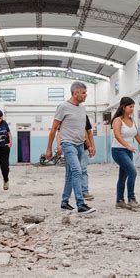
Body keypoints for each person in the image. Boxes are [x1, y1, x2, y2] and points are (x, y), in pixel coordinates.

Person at [46, 82, 96, 213]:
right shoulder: (63, 107)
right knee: (77, 171)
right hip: (68, 144)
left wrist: (89, 145)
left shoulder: (82, 109)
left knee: (70, 174)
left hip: (80, 145)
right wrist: (49, 148)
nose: (86, 95)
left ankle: (64, 202)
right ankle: (81, 204)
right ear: (75, 93)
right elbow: (54, 129)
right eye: (84, 93)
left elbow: (83, 129)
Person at [111, 97, 140, 210]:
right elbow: (117, 135)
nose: (132, 109)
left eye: (133, 106)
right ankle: (131, 199)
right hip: (118, 151)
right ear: (123, 107)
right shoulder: (117, 120)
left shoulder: (132, 120)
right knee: (133, 172)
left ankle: (119, 201)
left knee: (123, 176)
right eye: (130, 107)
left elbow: (136, 135)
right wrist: (127, 145)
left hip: (128, 151)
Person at [56, 115, 95, 201]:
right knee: (71, 172)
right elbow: (59, 132)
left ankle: (84, 192)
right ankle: (67, 197)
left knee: (83, 170)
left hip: (82, 147)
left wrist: (91, 146)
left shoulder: (84, 116)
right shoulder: (65, 116)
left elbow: (88, 132)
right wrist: (59, 145)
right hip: (70, 147)